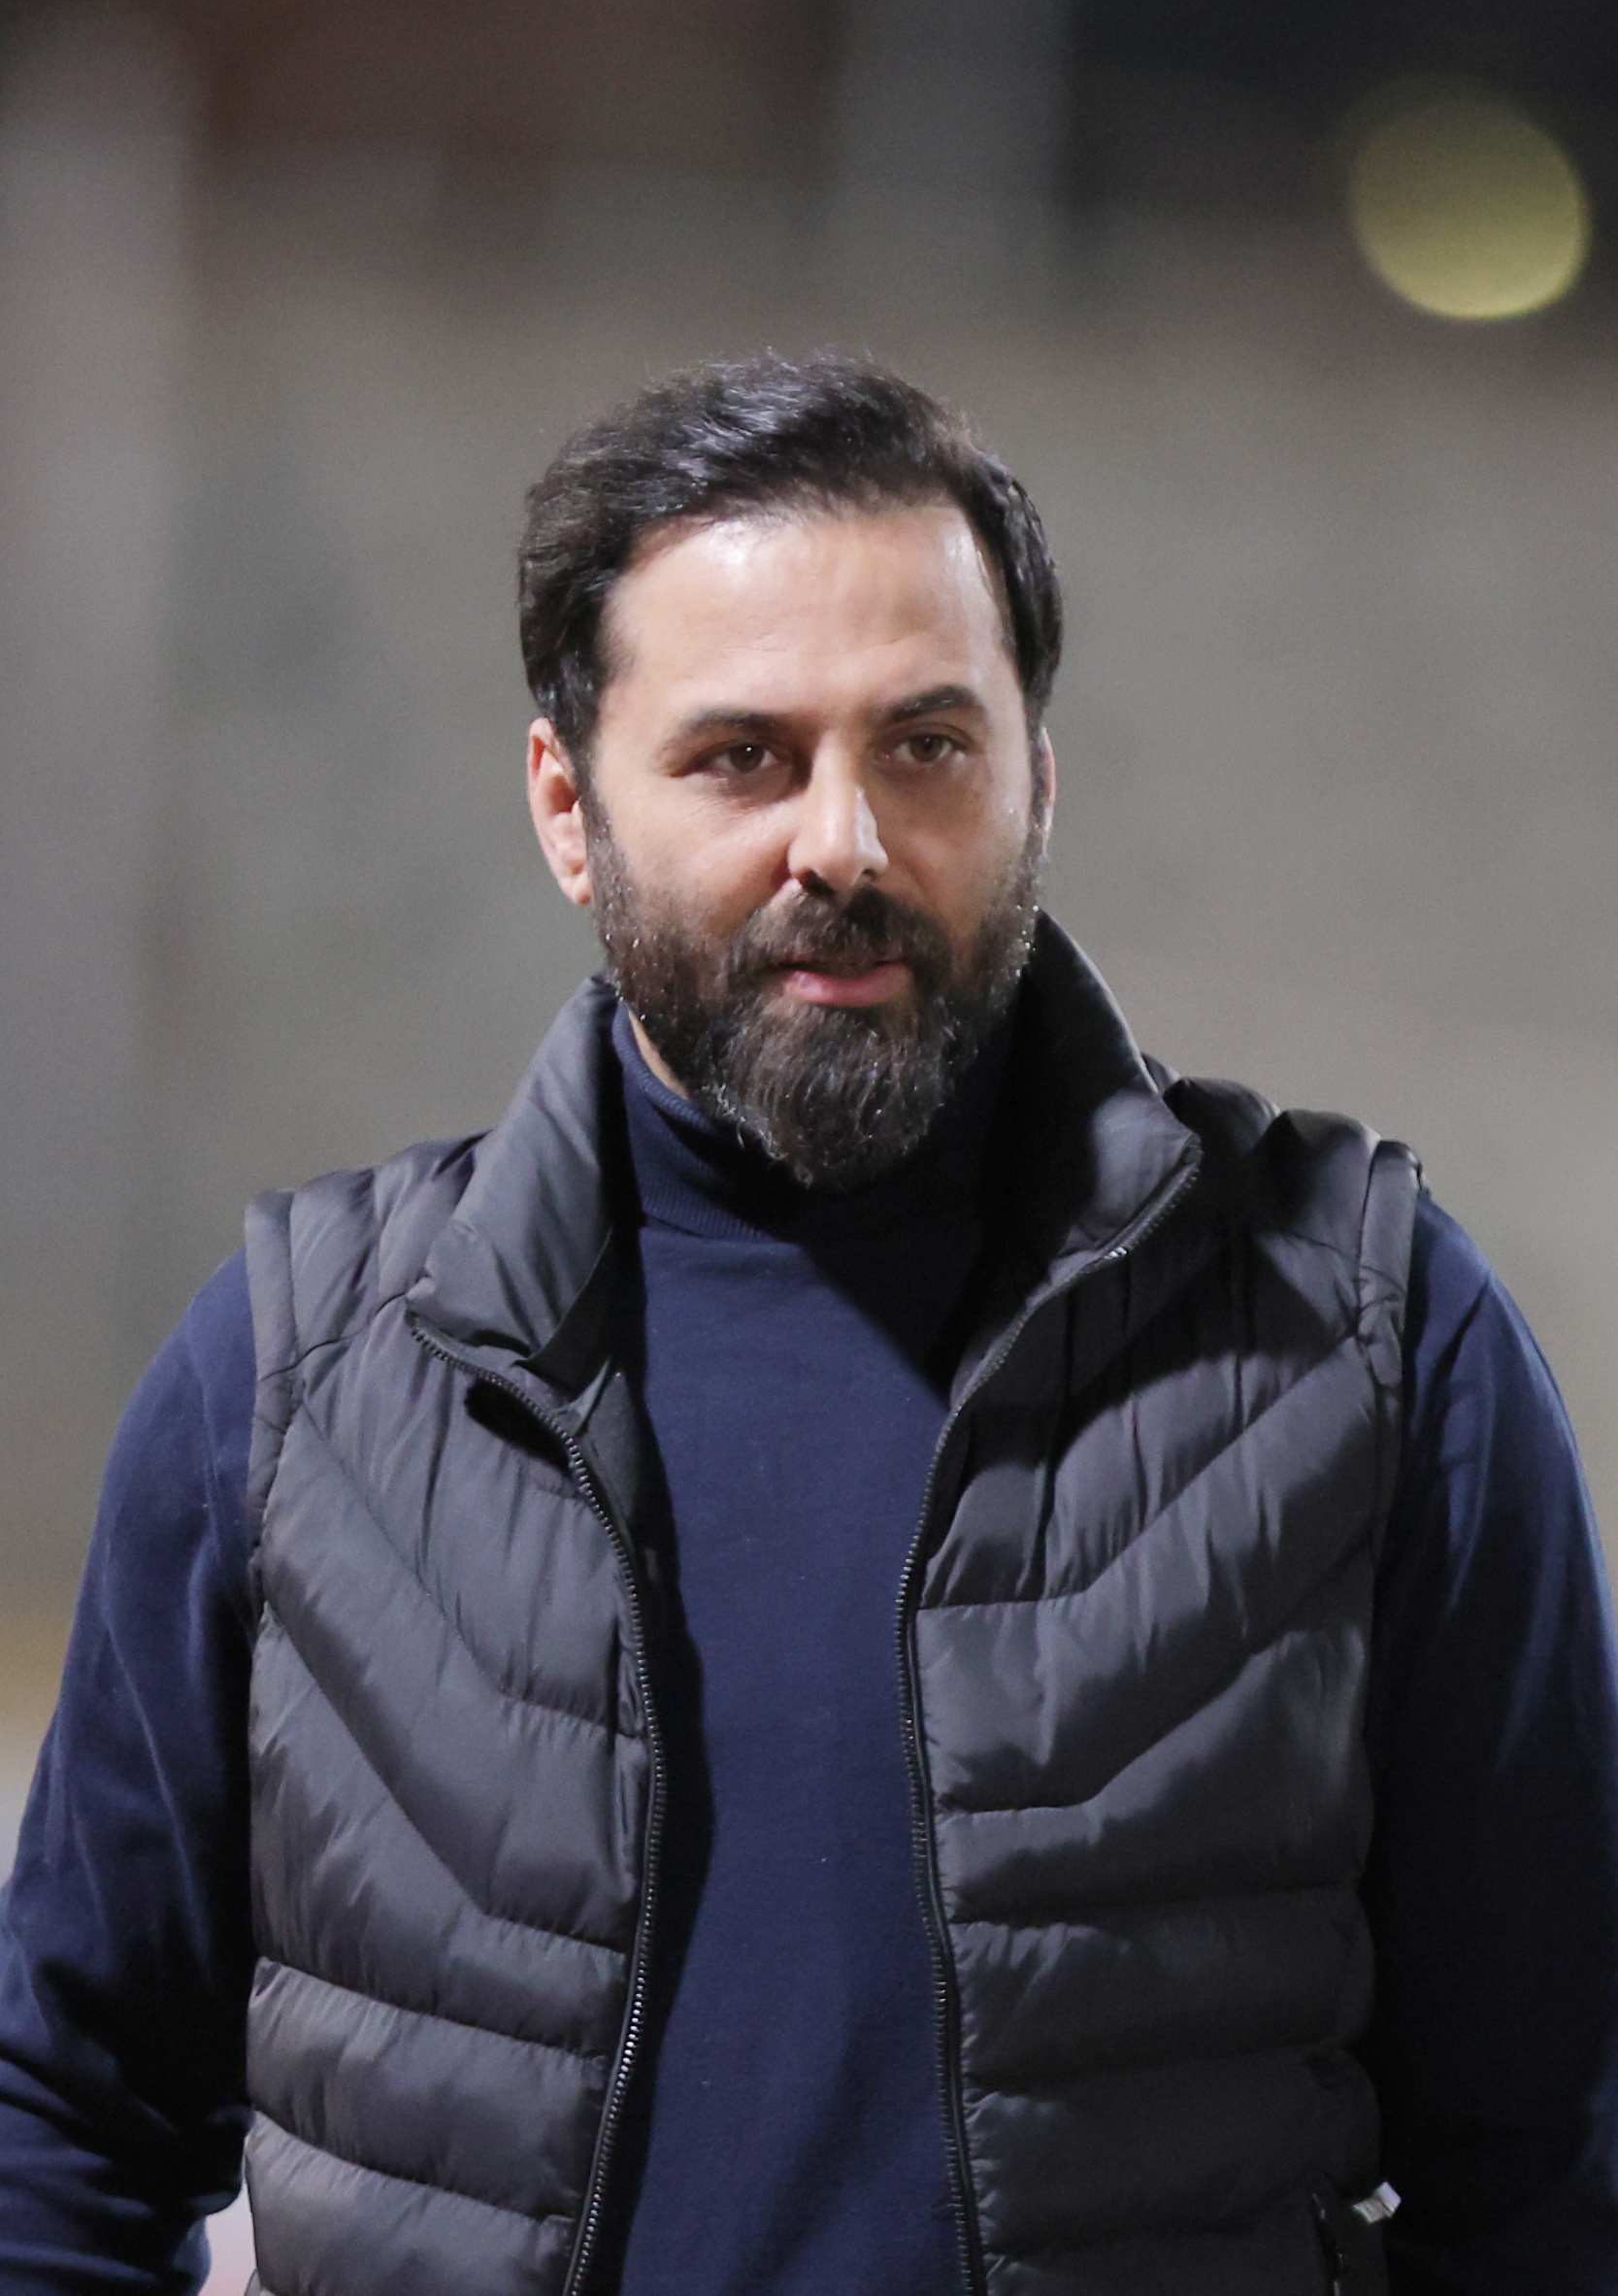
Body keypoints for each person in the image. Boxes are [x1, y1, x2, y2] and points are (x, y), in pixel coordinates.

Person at [2, 354, 1616, 2296]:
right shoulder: (295, 1382)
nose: (842, 843)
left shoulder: (1367, 1339)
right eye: (742, 758)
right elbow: (62, 2131)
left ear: (1037, 779)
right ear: (567, 807)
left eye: (926, 746)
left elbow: (1555, 2172)